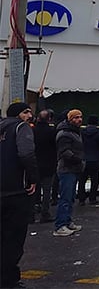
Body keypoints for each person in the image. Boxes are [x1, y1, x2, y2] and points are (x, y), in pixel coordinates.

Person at [0, 102, 38, 288]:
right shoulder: (21, 128)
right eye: (26, 112)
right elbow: (26, 154)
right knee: (13, 238)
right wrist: (32, 177)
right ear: (17, 115)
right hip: (16, 191)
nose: (29, 116)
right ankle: (8, 279)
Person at [54, 109, 84, 237]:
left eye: (80, 117)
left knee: (70, 197)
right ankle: (60, 225)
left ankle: (67, 221)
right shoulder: (65, 134)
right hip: (67, 169)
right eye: (76, 117)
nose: (79, 120)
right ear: (70, 119)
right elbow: (64, 152)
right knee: (65, 198)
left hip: (73, 168)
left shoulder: (75, 132)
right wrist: (78, 160)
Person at [32, 109, 56, 223]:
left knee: (34, 189)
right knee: (47, 191)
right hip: (48, 164)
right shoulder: (52, 131)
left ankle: (32, 212)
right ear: (49, 119)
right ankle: (45, 213)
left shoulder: (32, 130)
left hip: (35, 164)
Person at [78, 115, 99, 205]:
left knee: (82, 180)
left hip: (84, 158)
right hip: (96, 159)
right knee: (95, 180)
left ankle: (81, 199)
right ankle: (92, 198)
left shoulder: (82, 132)